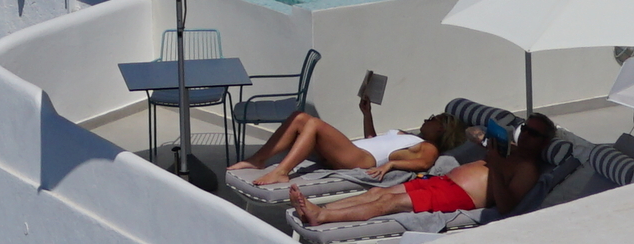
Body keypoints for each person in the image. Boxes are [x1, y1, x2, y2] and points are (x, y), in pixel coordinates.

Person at [297, 115, 549, 226]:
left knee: (388, 202)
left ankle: (323, 218)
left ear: (544, 141)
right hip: (442, 182)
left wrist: (494, 166)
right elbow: (471, 132)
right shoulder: (508, 150)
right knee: (376, 193)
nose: (527, 134)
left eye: (534, 133)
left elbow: (506, 207)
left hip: (460, 195)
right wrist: (489, 140)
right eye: (525, 128)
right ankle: (322, 209)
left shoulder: (527, 168)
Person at [233, 110, 471, 200]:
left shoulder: (428, 146)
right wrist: (366, 113)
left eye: (432, 119)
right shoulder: (408, 135)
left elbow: (424, 163)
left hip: (359, 159)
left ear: (441, 129)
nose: (426, 119)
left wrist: (391, 165)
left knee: (312, 123)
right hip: (357, 150)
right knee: (299, 117)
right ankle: (259, 159)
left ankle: (282, 172)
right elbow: (374, 140)